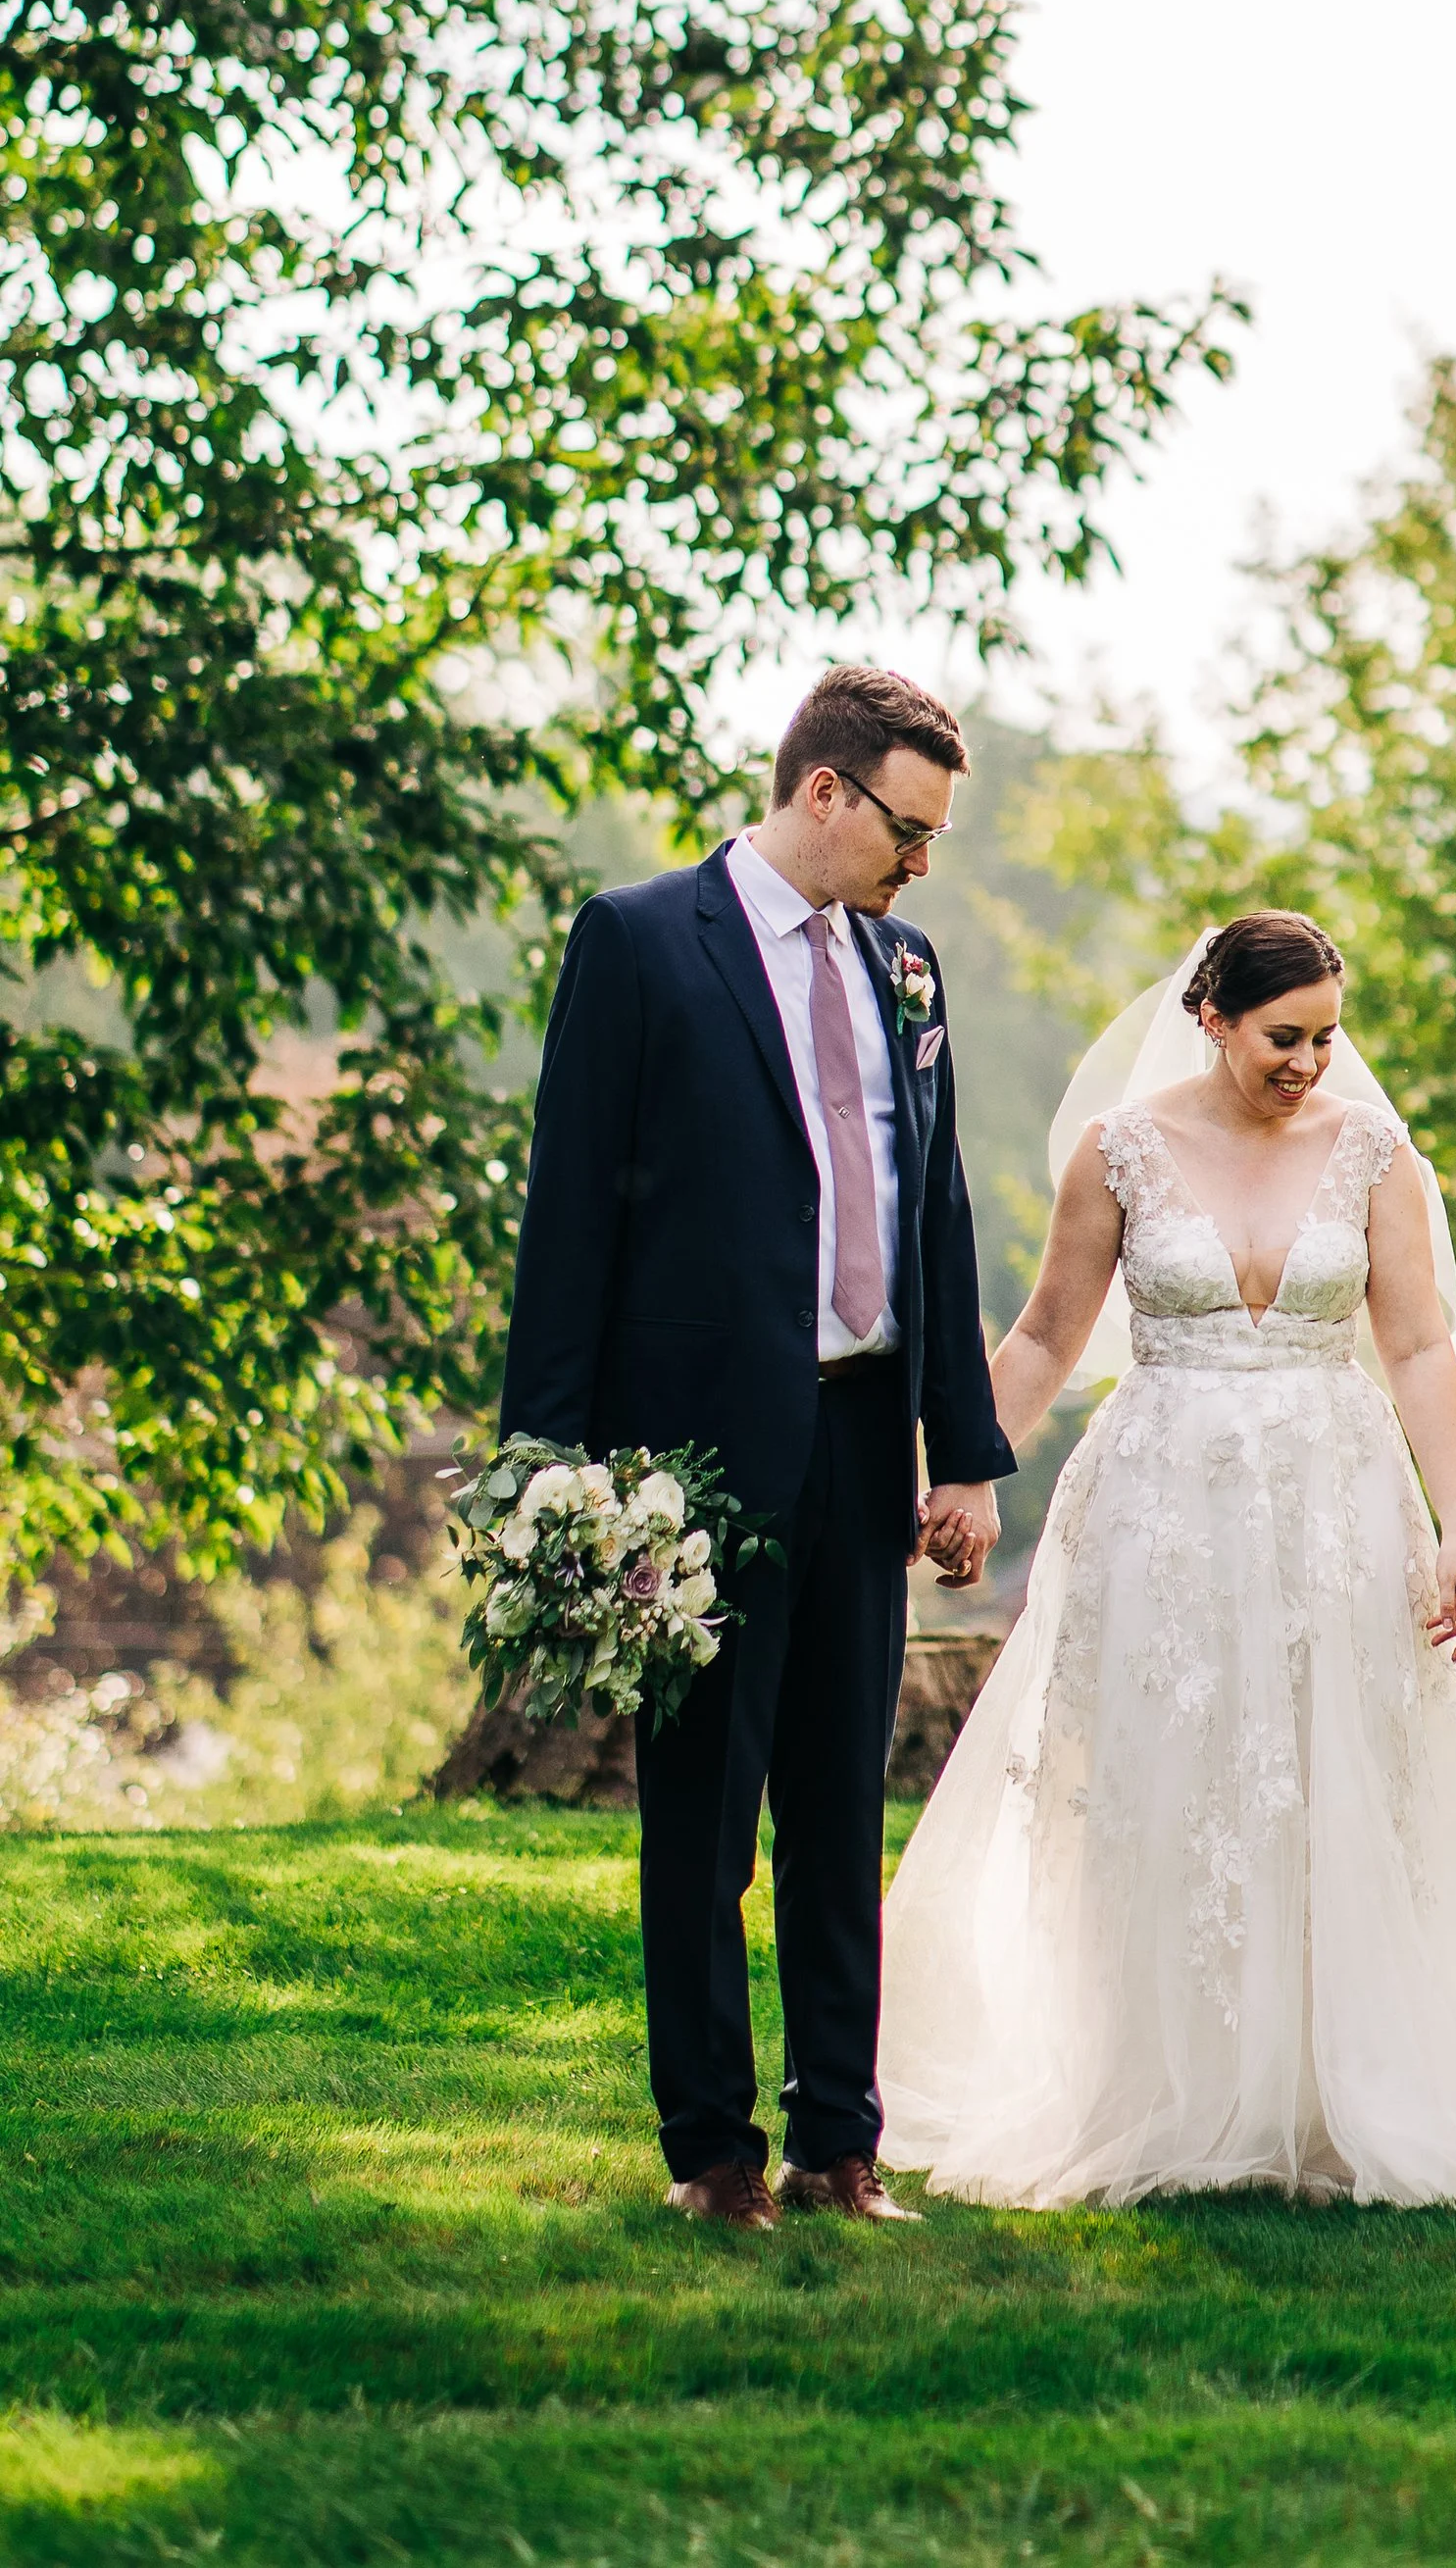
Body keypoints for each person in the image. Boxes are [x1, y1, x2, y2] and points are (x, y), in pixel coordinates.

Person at [877, 913, 1456, 2213]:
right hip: (1163, 1511)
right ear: (1211, 1019)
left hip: (1334, 1505)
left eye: (1325, 1037)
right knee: (1171, 1783)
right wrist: (964, 1472)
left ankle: (1334, 2084)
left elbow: (1415, 1349)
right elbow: (1043, 1336)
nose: (1308, 1062)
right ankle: (1167, 2081)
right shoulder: (1120, 1151)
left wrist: (1455, 1529)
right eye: (1282, 1037)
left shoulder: (1372, 1154)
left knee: (1332, 1781)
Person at [499, 665, 1011, 2232]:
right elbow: (569, 1215)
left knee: (842, 1811)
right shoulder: (642, 941)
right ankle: (713, 2153)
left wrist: (963, 1448)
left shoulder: (907, 966)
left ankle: (838, 2144)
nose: (922, 862)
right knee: (705, 1817)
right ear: (823, 790)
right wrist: (551, 1472)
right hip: (695, 1462)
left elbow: (935, 1210)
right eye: (908, 829)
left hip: (862, 1438)